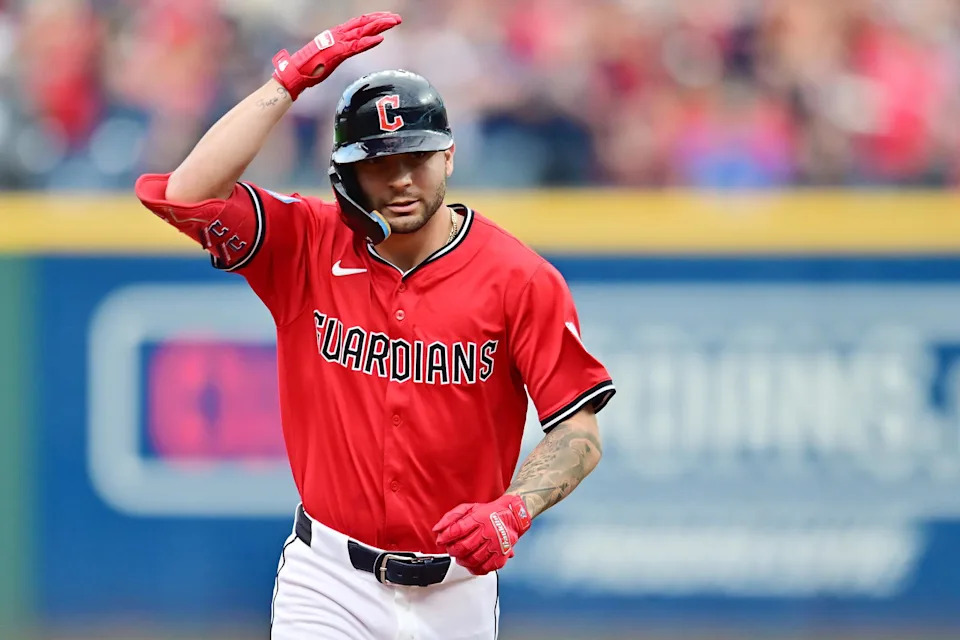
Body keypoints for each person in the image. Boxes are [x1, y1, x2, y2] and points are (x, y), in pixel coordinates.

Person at [134, 12, 615, 640]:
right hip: (329, 581)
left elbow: (579, 431)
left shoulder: (519, 278)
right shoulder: (306, 243)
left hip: (457, 591)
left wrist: (515, 508)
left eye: (418, 156)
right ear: (346, 173)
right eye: (379, 162)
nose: (402, 178)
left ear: (449, 156)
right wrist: (286, 83)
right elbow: (185, 194)